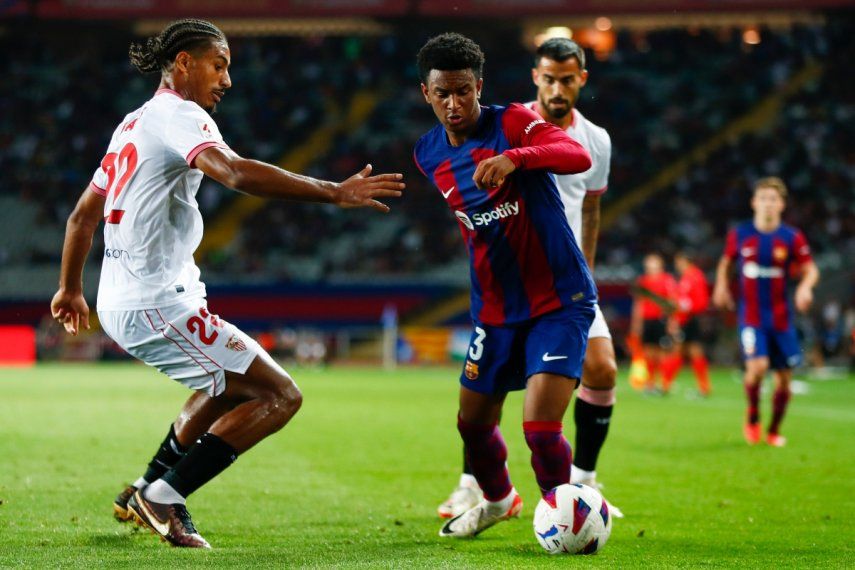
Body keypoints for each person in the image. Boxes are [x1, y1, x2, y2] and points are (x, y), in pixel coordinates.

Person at [49, 19, 404, 548]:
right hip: (156, 303)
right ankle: (165, 496)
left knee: (223, 384)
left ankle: (144, 487)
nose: (227, 80)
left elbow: (82, 216)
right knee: (280, 395)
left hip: (133, 296)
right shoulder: (179, 114)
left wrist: (70, 288)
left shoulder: (133, 122)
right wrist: (333, 191)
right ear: (184, 63)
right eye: (219, 65)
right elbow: (234, 173)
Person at [413, 32, 598, 538]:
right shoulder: (427, 152)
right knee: (471, 424)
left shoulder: (512, 122)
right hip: (495, 310)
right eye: (443, 94)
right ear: (426, 94)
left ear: (479, 86)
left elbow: (575, 155)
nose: (454, 104)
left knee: (540, 429)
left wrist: (516, 158)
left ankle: (564, 520)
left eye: (463, 91)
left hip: (559, 300)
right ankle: (498, 501)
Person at [712, 177, 818, 447]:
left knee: (784, 380)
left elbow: (810, 269)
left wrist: (805, 287)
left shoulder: (791, 237)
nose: (768, 204)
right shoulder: (741, 234)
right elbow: (726, 263)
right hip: (751, 316)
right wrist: (722, 286)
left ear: (781, 205)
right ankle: (753, 415)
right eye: (763, 198)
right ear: (754, 202)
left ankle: (774, 430)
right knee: (757, 367)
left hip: (781, 318)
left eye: (773, 199)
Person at [661, 251, 712, 396]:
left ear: (685, 261)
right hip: (685, 319)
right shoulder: (686, 277)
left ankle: (666, 385)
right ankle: (702, 387)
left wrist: (684, 307)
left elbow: (701, 301)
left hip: (691, 319)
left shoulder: (695, 276)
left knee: (682, 350)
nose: (677, 265)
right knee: (688, 350)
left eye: (678, 262)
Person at [630, 253, 677, 393]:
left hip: (661, 320)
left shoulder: (667, 280)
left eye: (653, 264)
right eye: (648, 264)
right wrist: (636, 324)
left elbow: (672, 301)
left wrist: (672, 321)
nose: (650, 267)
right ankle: (650, 383)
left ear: (660, 265)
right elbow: (638, 303)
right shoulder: (642, 281)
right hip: (647, 320)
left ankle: (664, 383)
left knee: (663, 353)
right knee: (648, 352)